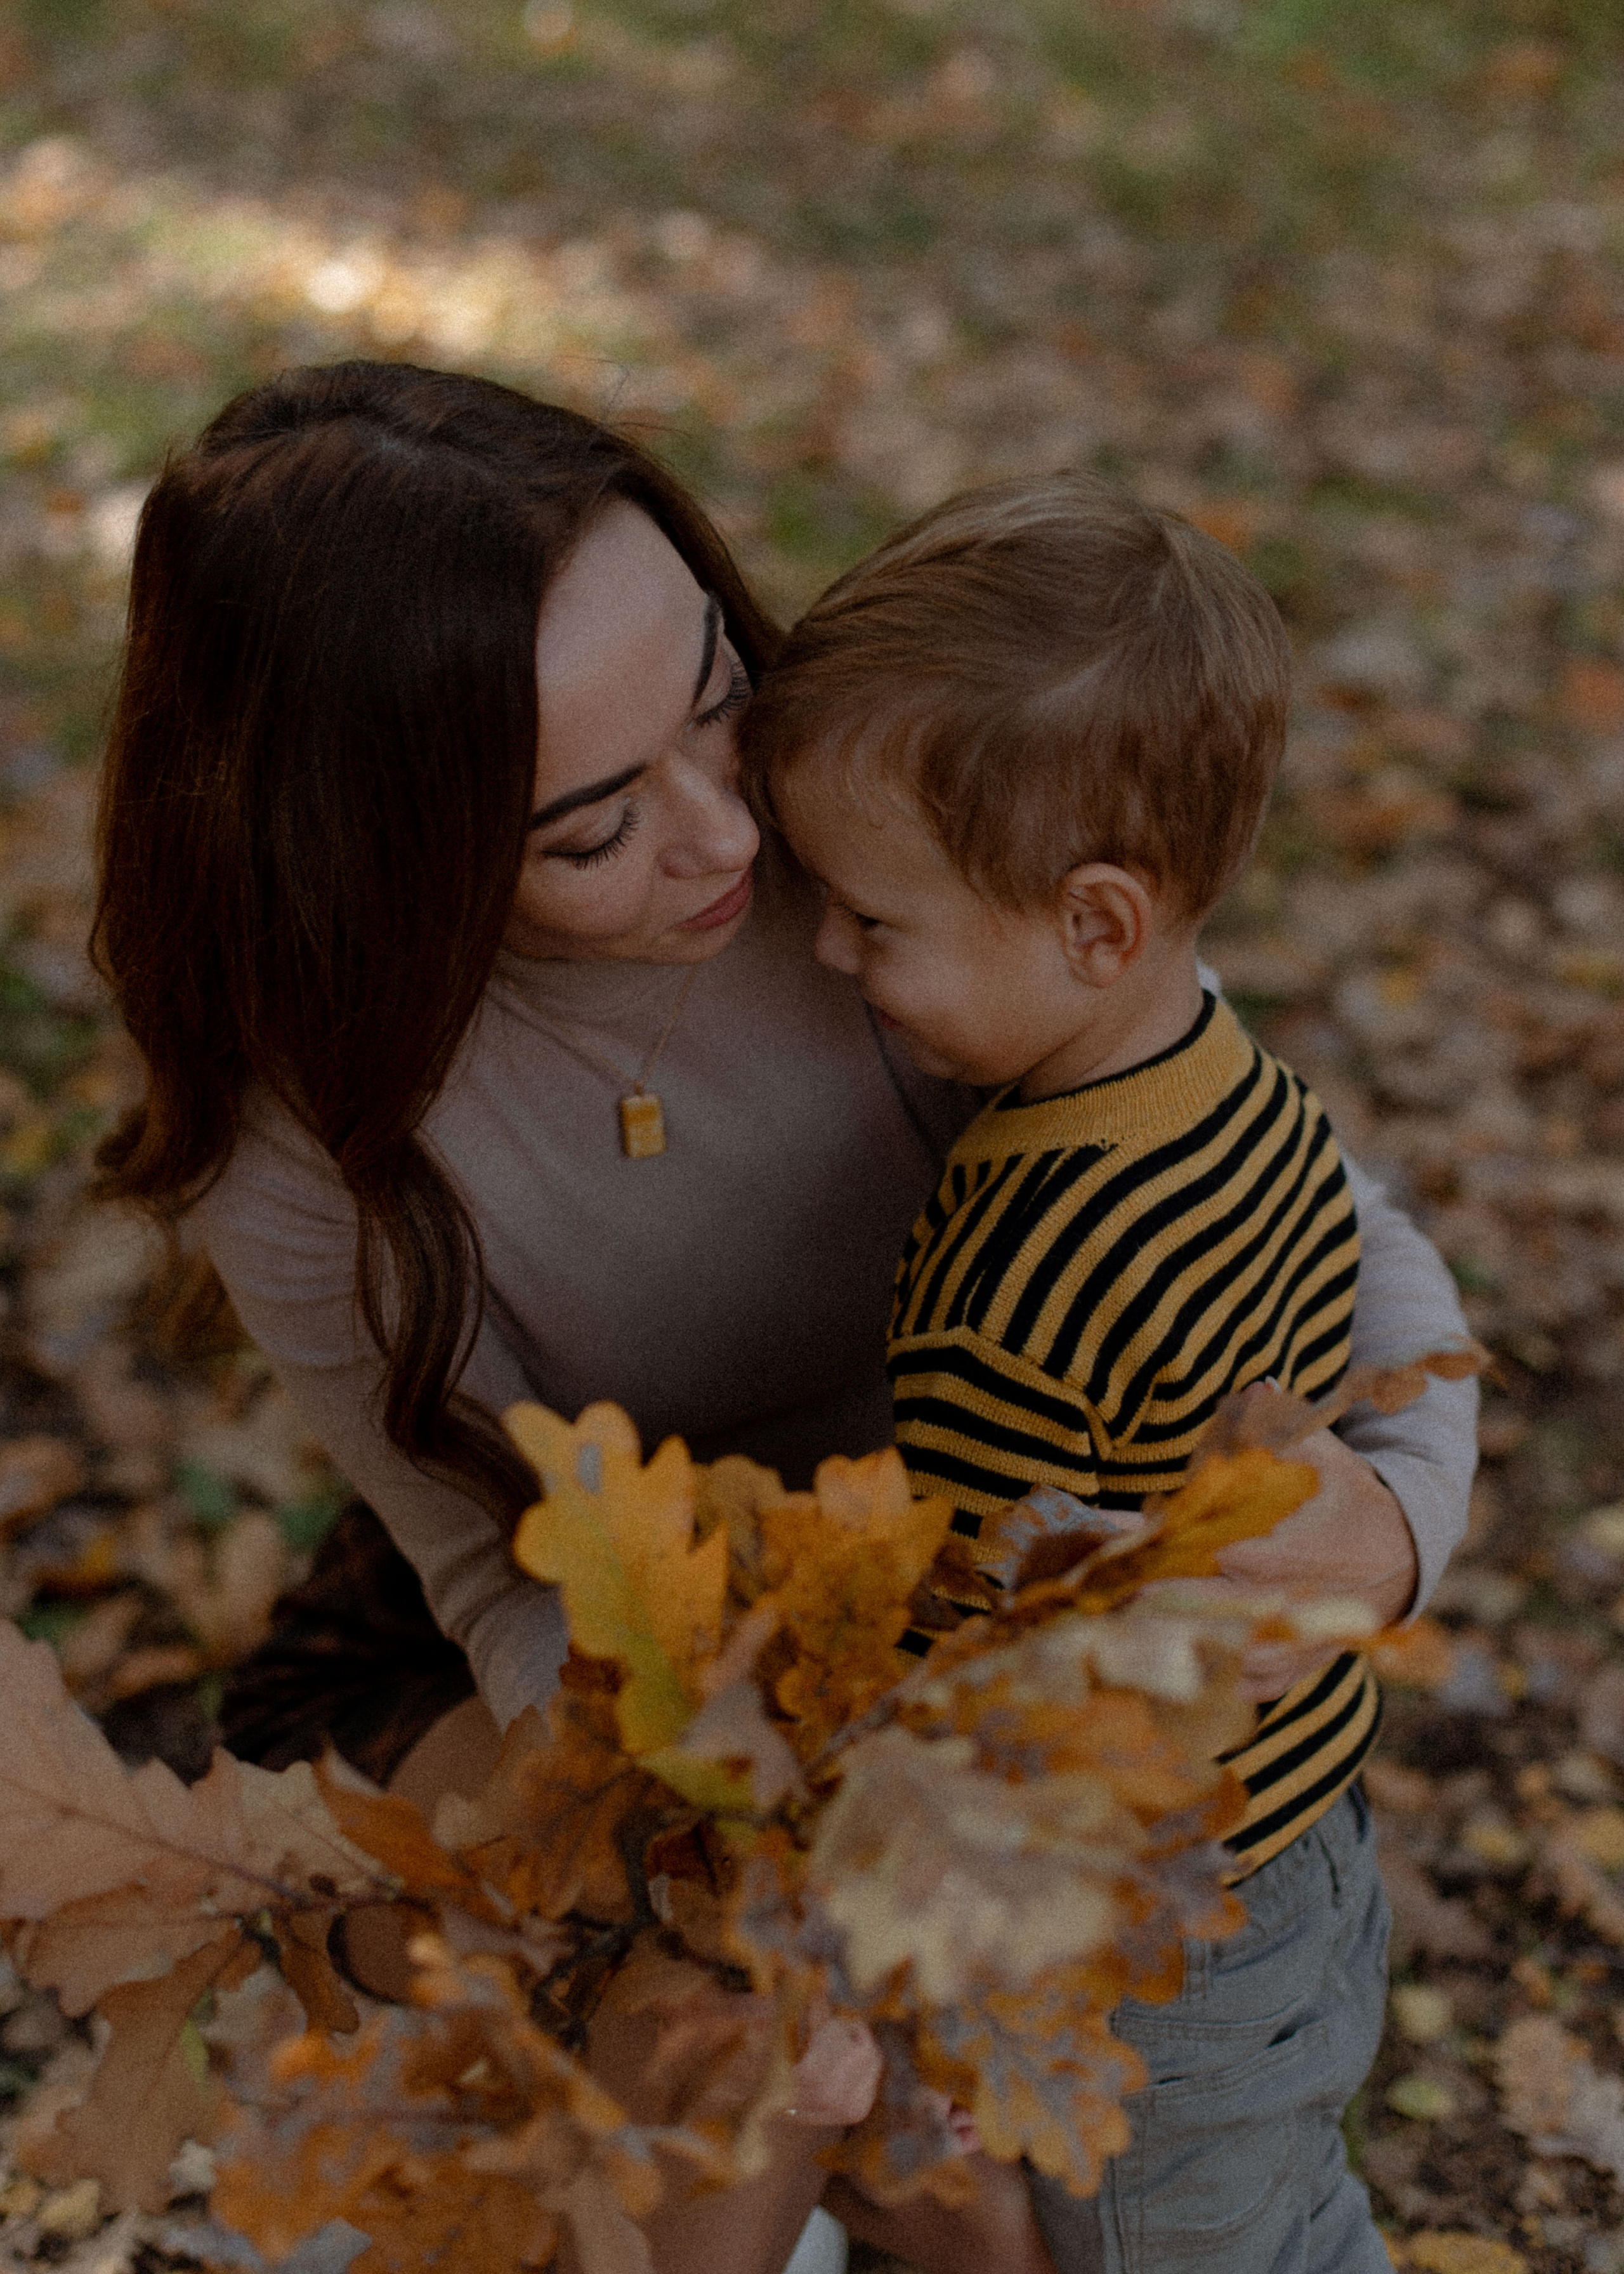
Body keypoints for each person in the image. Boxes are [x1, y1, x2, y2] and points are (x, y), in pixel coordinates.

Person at [89, 363, 1476, 2274]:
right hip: (640, 1648)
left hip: (980, 1625)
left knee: (1010, 2178)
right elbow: (489, 1580)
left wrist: (1399, 1525)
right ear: (386, 852)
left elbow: (1278, 1174)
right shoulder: (310, 1143)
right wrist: (706, 1812)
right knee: (724, 2038)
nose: (723, 838)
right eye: (590, 831)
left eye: (718, 695)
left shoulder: (877, 831)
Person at [744, 470, 1436, 2273]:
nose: (828, 953)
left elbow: (991, 1670)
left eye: (874, 922)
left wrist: (911, 1964)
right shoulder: (1237, 1084)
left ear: (1097, 924)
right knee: (1286, 2215)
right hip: (1295, 1840)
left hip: (1140, 1949)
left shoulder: (1023, 1271)